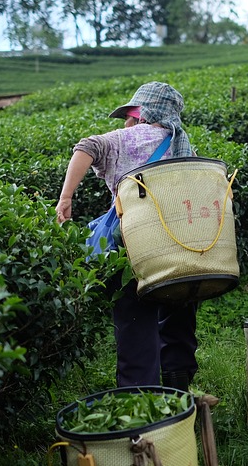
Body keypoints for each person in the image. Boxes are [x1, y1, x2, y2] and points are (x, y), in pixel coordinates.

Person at [55, 81, 200, 391]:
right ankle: (179, 389)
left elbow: (86, 147)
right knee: (178, 312)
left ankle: (141, 399)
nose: (126, 121)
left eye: (130, 113)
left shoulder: (129, 139)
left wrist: (66, 197)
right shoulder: (185, 147)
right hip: (182, 245)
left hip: (137, 245)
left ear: (142, 113)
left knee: (137, 319)